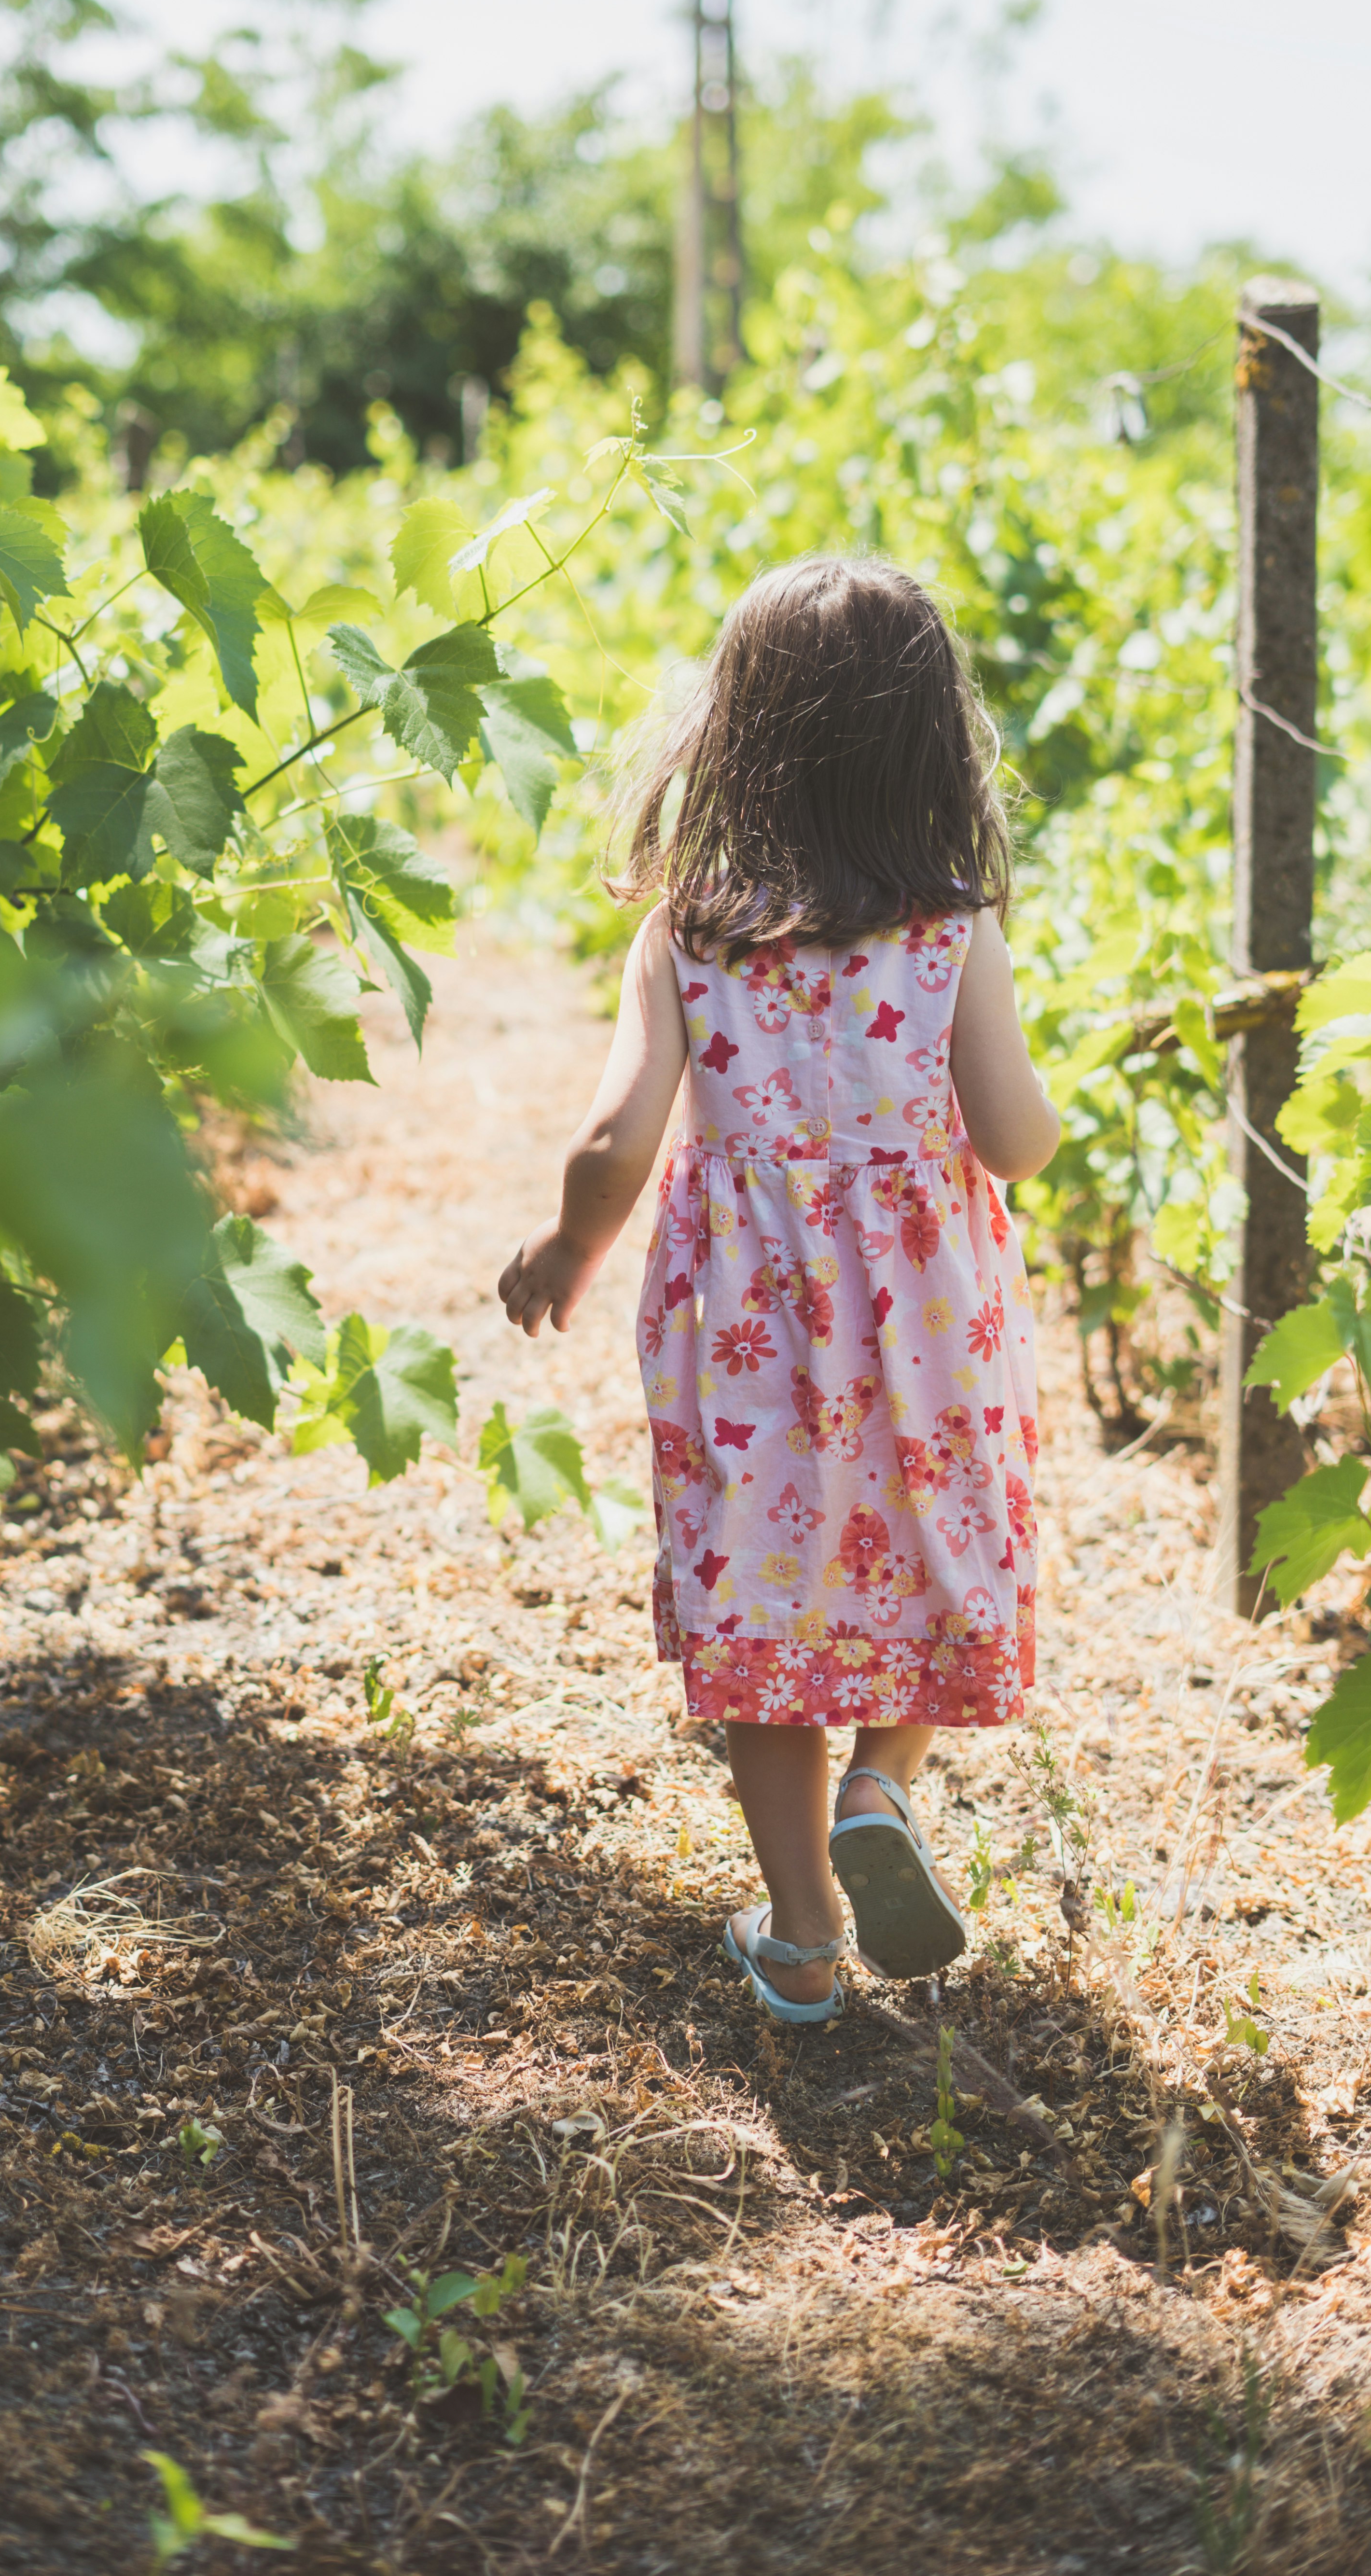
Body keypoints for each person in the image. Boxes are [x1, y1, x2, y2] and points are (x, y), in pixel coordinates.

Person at [498, 556, 1060, 2021]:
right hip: (926, 1331)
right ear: (931, 743)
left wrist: (569, 1252)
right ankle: (882, 1787)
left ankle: (804, 1934)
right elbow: (1015, 1140)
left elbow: (611, 1140)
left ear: (738, 732)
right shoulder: (951, 931)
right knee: (929, 1552)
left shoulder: (694, 933)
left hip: (748, 1339)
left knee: (768, 1606)